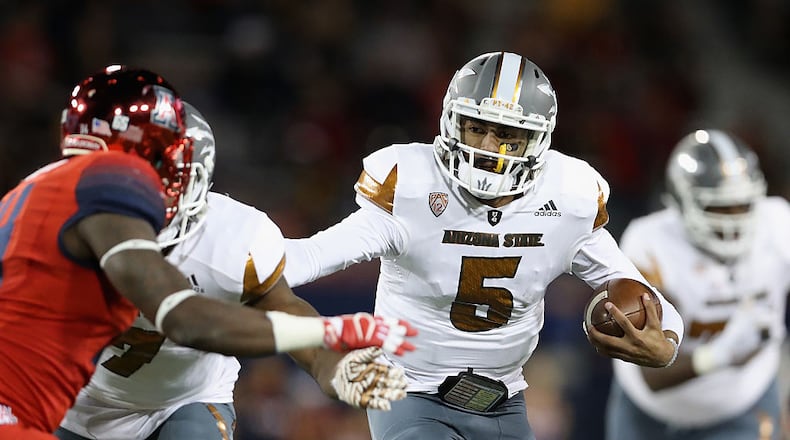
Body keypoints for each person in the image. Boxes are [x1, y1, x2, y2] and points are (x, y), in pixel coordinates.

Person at [283, 51, 685, 440]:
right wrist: (235, 257)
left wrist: (665, 346)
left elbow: (648, 299)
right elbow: (309, 257)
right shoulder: (411, 185)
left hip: (504, 400)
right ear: (451, 122)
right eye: (476, 128)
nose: (489, 148)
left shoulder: (568, 196)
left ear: (537, 139)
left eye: (507, 135)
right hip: (408, 390)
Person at [0, 65, 416, 440]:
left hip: (181, 402)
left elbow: (282, 307)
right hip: (67, 405)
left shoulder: (233, 235)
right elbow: (184, 318)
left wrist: (331, 365)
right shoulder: (76, 210)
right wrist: (328, 333)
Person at [606, 129, 788, 440]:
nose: (733, 219)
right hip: (649, 411)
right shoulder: (651, 243)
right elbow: (652, 369)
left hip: (743, 404)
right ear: (680, 203)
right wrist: (722, 354)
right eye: (718, 207)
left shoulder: (779, 224)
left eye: (743, 205)